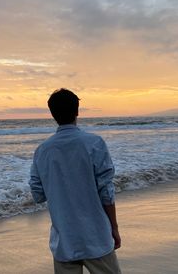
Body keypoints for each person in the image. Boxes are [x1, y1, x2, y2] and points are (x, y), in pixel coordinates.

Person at [29, 88, 122, 274]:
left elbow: (38, 194)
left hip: (64, 240)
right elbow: (106, 192)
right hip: (95, 236)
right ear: (77, 111)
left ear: (52, 114)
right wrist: (114, 227)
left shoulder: (43, 150)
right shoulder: (94, 143)